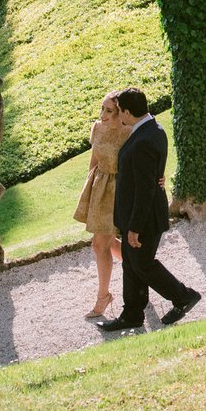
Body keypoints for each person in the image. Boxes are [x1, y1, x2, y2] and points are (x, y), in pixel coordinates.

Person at [96, 87, 202, 333]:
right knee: (131, 265)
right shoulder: (150, 129)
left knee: (143, 265)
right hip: (136, 215)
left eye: (120, 110)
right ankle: (132, 314)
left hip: (143, 218)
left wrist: (133, 228)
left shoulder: (144, 139)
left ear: (128, 112)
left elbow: (144, 190)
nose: (118, 114)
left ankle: (184, 297)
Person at [72, 94, 126, 318]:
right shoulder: (97, 127)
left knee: (100, 243)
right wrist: (89, 188)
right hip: (99, 188)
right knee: (102, 242)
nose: (103, 115)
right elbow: (94, 159)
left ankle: (103, 296)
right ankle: (141, 270)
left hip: (118, 189)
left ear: (121, 112)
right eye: (102, 109)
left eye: (109, 111)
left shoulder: (129, 132)